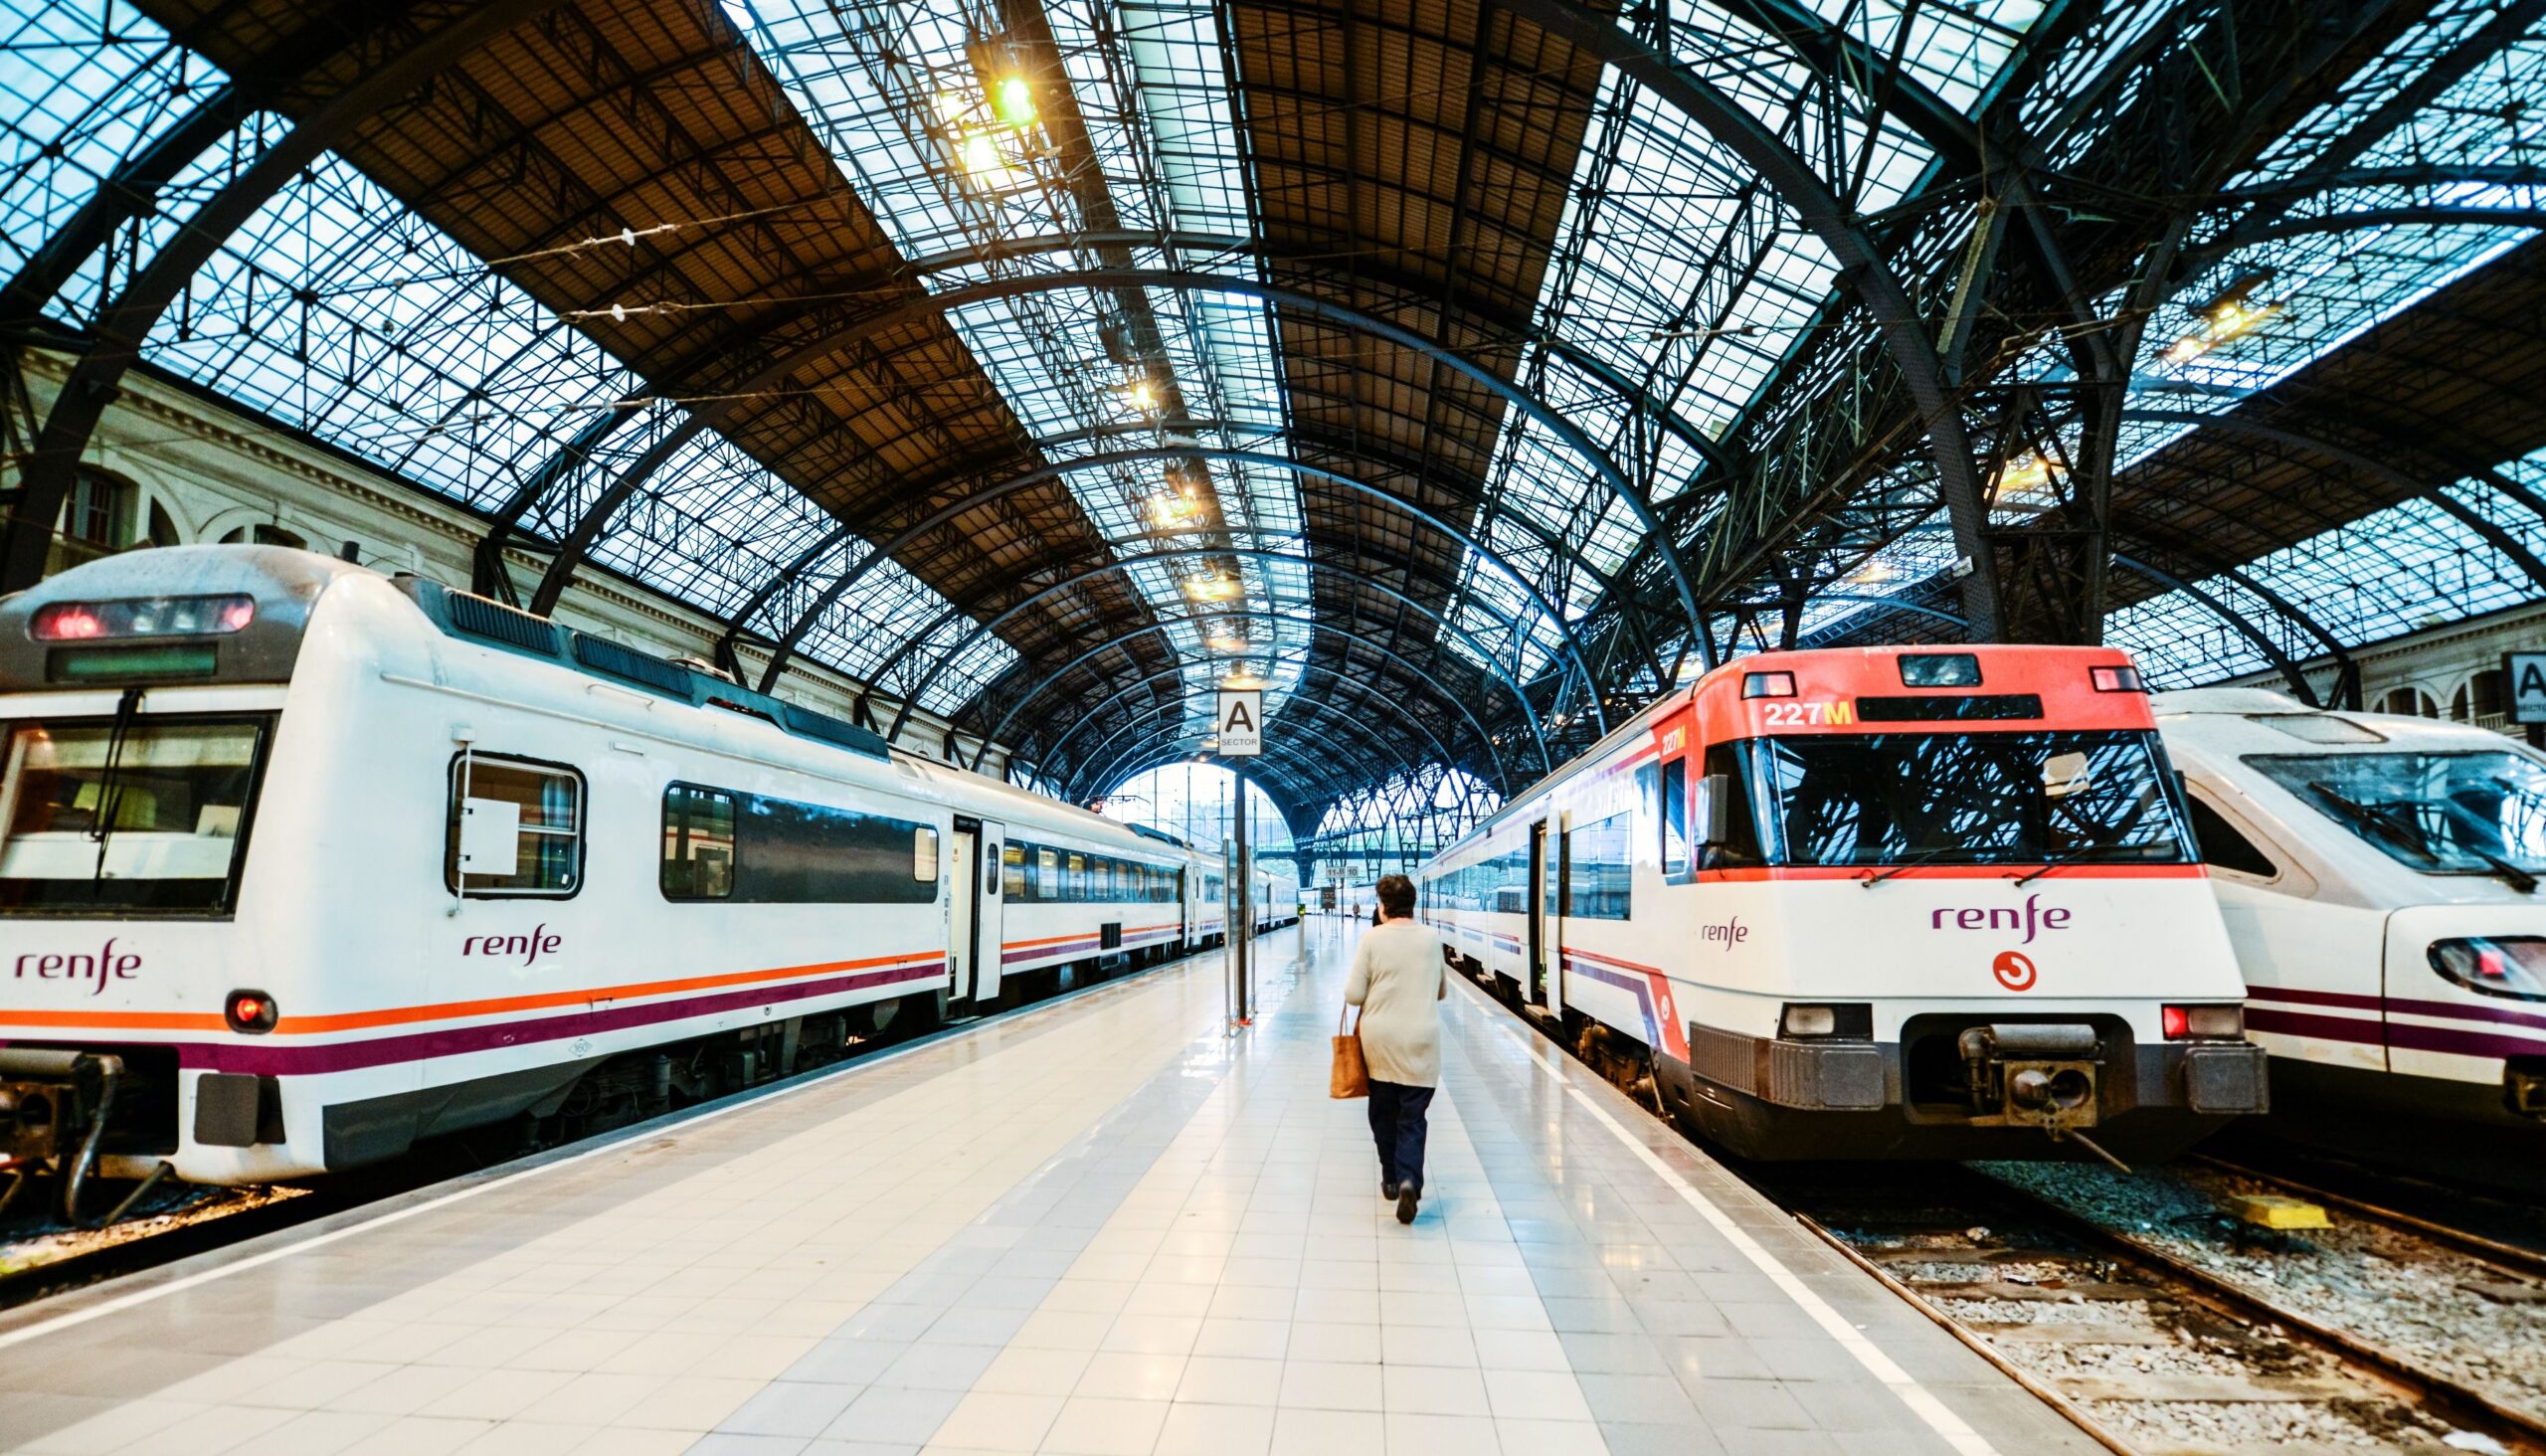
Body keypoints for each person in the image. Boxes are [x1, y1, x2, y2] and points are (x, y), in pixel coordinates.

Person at [1345, 873, 1446, 1224]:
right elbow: (1442, 991)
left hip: (1380, 1043)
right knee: (1413, 1119)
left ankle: (1390, 1177)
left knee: (1383, 1114)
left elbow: (1354, 995)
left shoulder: (1373, 939)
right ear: (1412, 905)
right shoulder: (1432, 939)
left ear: (1383, 906)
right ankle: (1408, 1180)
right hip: (1422, 1041)